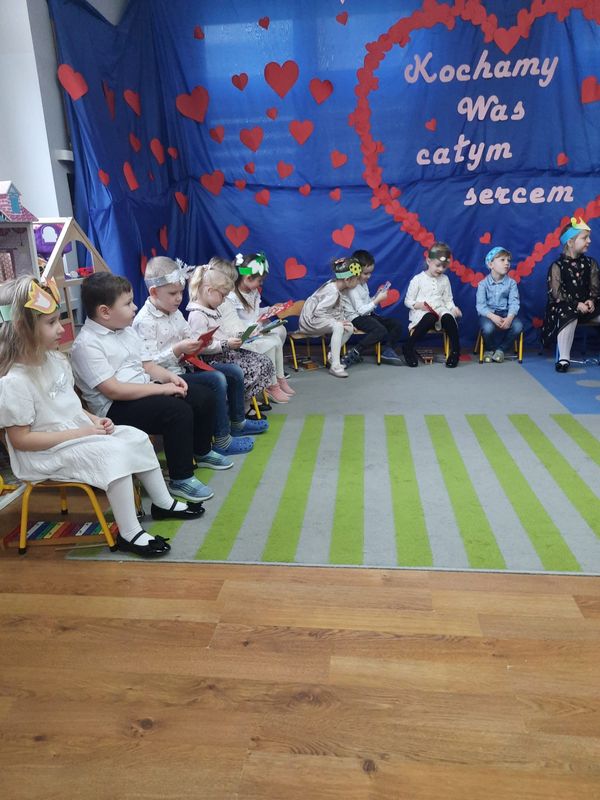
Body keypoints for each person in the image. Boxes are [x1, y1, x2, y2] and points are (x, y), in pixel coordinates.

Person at [0, 276, 205, 559]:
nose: (61, 328)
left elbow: (69, 406)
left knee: (135, 437)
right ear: (23, 328)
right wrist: (83, 432)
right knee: (113, 452)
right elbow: (22, 440)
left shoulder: (55, 361)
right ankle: (129, 533)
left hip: (76, 434)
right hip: (43, 454)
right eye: (51, 323)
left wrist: (91, 420)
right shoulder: (14, 382)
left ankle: (162, 502)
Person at [71, 272, 225, 506]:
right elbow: (114, 390)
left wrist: (171, 378)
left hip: (142, 390)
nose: (134, 307)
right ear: (105, 311)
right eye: (127, 303)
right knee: (177, 411)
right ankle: (181, 477)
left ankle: (201, 451)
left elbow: (148, 365)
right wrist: (162, 390)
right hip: (114, 409)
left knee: (202, 395)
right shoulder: (86, 344)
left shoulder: (126, 330)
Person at [132, 256, 266, 456]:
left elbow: (189, 337)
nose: (179, 298)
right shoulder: (144, 322)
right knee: (217, 379)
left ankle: (238, 423)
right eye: (173, 293)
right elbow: (148, 365)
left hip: (186, 366)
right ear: (154, 292)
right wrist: (177, 349)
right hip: (167, 377)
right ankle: (222, 439)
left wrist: (198, 343)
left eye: (180, 292)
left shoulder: (175, 312)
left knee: (234, 372)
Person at [186, 260, 275, 413]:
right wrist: (226, 344)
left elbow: (223, 331)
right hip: (213, 359)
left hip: (226, 353)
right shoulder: (197, 315)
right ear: (209, 291)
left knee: (264, 362)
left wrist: (238, 337)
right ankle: (237, 406)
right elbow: (199, 348)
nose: (223, 300)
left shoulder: (213, 309)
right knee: (254, 366)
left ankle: (241, 404)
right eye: (223, 296)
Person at [226, 252, 295, 403]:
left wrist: (270, 310)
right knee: (271, 343)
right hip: (243, 337)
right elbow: (234, 323)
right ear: (248, 278)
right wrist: (254, 325)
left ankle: (279, 378)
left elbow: (255, 312)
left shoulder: (253, 292)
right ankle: (271, 385)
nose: (261, 284)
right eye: (259, 280)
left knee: (277, 336)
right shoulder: (232, 297)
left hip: (255, 330)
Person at [542, 217, 599, 372]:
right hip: (564, 307)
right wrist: (576, 304)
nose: (589, 241)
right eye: (585, 238)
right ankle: (564, 358)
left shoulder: (591, 263)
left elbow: (595, 287)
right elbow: (556, 294)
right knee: (568, 313)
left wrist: (591, 300)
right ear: (570, 242)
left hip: (586, 308)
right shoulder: (557, 266)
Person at [298, 257, 362, 378]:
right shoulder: (332, 291)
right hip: (310, 320)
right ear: (347, 279)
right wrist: (337, 322)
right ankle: (335, 366)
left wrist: (342, 320)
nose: (358, 282)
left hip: (320, 318)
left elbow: (336, 309)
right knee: (338, 326)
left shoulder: (339, 287)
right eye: (357, 279)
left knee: (348, 327)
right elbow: (318, 312)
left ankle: (332, 355)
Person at [402, 242, 461, 368]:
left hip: (440, 309)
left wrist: (453, 308)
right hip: (422, 312)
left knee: (448, 317)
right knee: (430, 317)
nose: (441, 269)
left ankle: (455, 351)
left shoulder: (445, 279)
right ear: (428, 261)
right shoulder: (418, 279)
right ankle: (408, 347)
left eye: (444, 267)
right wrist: (418, 305)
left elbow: (448, 300)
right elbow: (408, 301)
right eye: (438, 265)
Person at [341, 248, 403, 367]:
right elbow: (361, 311)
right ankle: (356, 351)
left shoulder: (363, 284)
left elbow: (367, 304)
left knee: (396, 324)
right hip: (356, 317)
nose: (369, 276)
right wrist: (377, 300)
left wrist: (376, 296)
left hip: (367, 315)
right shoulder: (352, 287)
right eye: (365, 273)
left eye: (370, 273)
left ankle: (386, 350)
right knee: (380, 330)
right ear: (356, 270)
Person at [476, 246, 523, 363]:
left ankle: (501, 350)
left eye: (508, 260)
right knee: (488, 328)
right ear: (491, 264)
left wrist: (510, 318)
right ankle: (490, 349)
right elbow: (480, 306)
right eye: (502, 260)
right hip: (489, 314)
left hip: (506, 313)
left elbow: (514, 302)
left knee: (518, 326)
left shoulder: (511, 283)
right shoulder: (483, 284)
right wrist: (492, 317)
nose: (507, 263)